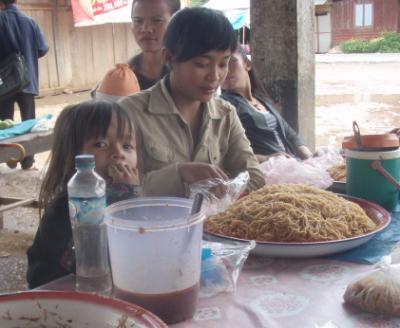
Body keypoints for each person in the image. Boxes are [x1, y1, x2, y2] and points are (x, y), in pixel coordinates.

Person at [120, 7, 265, 197]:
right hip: (153, 225)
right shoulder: (129, 113)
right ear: (169, 58)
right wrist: (179, 174)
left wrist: (223, 191)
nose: (215, 76)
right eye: (202, 64)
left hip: (213, 225)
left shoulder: (225, 115)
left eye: (223, 63)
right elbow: (121, 189)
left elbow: (254, 177)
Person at [26, 100, 140, 289]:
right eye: (101, 144)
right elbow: (93, 264)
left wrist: (130, 200)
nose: (118, 154)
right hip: (58, 298)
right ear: (72, 157)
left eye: (127, 146)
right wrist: (125, 200)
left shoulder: (125, 195)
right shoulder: (68, 208)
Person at [221, 45, 313, 163]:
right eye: (221, 65)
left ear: (247, 64)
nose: (226, 70)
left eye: (231, 62)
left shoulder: (263, 100)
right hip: (264, 174)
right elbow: (224, 156)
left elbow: (290, 135)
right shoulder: (224, 106)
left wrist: (310, 159)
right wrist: (267, 159)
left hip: (291, 169)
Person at [0, 0, 49, 169]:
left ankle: (10, 158)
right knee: (29, 121)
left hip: (5, 83)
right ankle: (28, 161)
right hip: (28, 80)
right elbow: (43, 48)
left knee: (6, 123)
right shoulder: (30, 21)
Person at [128, 0, 180, 89]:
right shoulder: (125, 76)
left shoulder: (185, 75)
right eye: (138, 21)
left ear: (176, 23)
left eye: (157, 20)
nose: (146, 29)